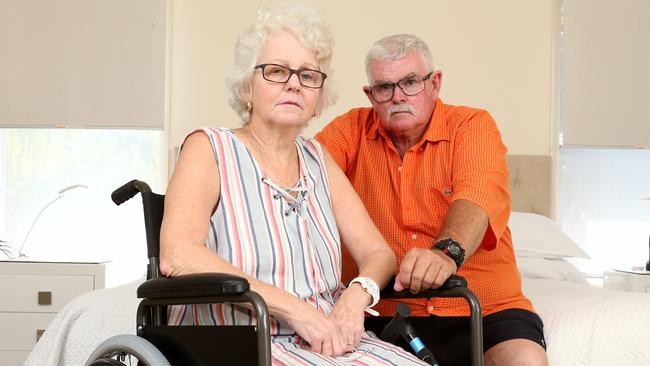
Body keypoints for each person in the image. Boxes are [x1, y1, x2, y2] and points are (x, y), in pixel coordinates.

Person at [159, 4, 429, 365]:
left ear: (318, 97)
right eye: (276, 71)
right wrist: (297, 311)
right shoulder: (208, 148)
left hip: (330, 340)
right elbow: (178, 254)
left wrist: (355, 296)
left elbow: (378, 255)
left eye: (307, 75)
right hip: (239, 342)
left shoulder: (319, 159)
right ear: (246, 88)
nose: (293, 84)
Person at [316, 34, 549, 366]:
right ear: (370, 95)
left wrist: (446, 253)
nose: (398, 97)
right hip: (382, 311)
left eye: (410, 82)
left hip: (483, 305)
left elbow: (476, 195)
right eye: (384, 87)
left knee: (525, 359)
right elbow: (301, 177)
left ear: (435, 83)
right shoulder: (348, 130)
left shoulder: (472, 126)